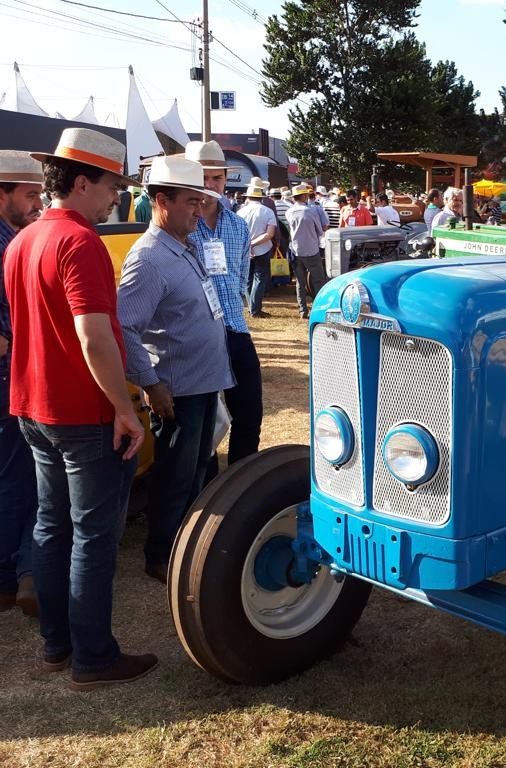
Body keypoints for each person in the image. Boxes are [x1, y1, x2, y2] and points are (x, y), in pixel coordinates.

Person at [5, 128, 154, 689]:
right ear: (84, 182)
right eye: (113, 186)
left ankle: (58, 645)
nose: (117, 197)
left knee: (52, 525)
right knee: (92, 535)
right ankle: (93, 658)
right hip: (81, 411)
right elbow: (93, 335)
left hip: (33, 405)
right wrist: (123, 408)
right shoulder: (80, 241)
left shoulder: (23, 239)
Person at [118, 155, 235, 585]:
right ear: (162, 201)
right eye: (190, 201)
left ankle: (186, 548)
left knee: (197, 470)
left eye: (201, 201)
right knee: (174, 477)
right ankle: (161, 555)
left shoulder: (181, 247)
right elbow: (124, 327)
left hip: (201, 382)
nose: (198, 210)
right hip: (178, 390)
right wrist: (151, 383)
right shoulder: (150, 258)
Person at [186, 141, 263, 474]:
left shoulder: (237, 225)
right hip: (197, 333)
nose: (210, 185)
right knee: (203, 418)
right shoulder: (180, 228)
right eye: (203, 178)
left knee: (249, 412)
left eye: (216, 178)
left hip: (234, 328)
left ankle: (241, 481)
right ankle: (206, 485)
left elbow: (241, 277)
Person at [0, 150, 43, 617]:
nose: (37, 204)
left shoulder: (16, 238)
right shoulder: (8, 243)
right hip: (9, 374)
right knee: (22, 476)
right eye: (29, 195)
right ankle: (19, 574)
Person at [286, 183, 327, 318]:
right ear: (304, 196)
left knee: (300, 281)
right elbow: (320, 230)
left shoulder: (289, 212)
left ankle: (303, 310)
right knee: (318, 280)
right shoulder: (310, 211)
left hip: (296, 250)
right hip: (311, 249)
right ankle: (319, 307)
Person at [238, 182, 277, 318]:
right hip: (263, 248)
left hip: (245, 249)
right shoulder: (268, 211)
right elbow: (269, 234)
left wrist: (248, 245)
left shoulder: (240, 212)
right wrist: (253, 244)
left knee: (248, 279)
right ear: (261, 197)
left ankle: (252, 307)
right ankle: (255, 308)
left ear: (248, 197)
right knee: (260, 278)